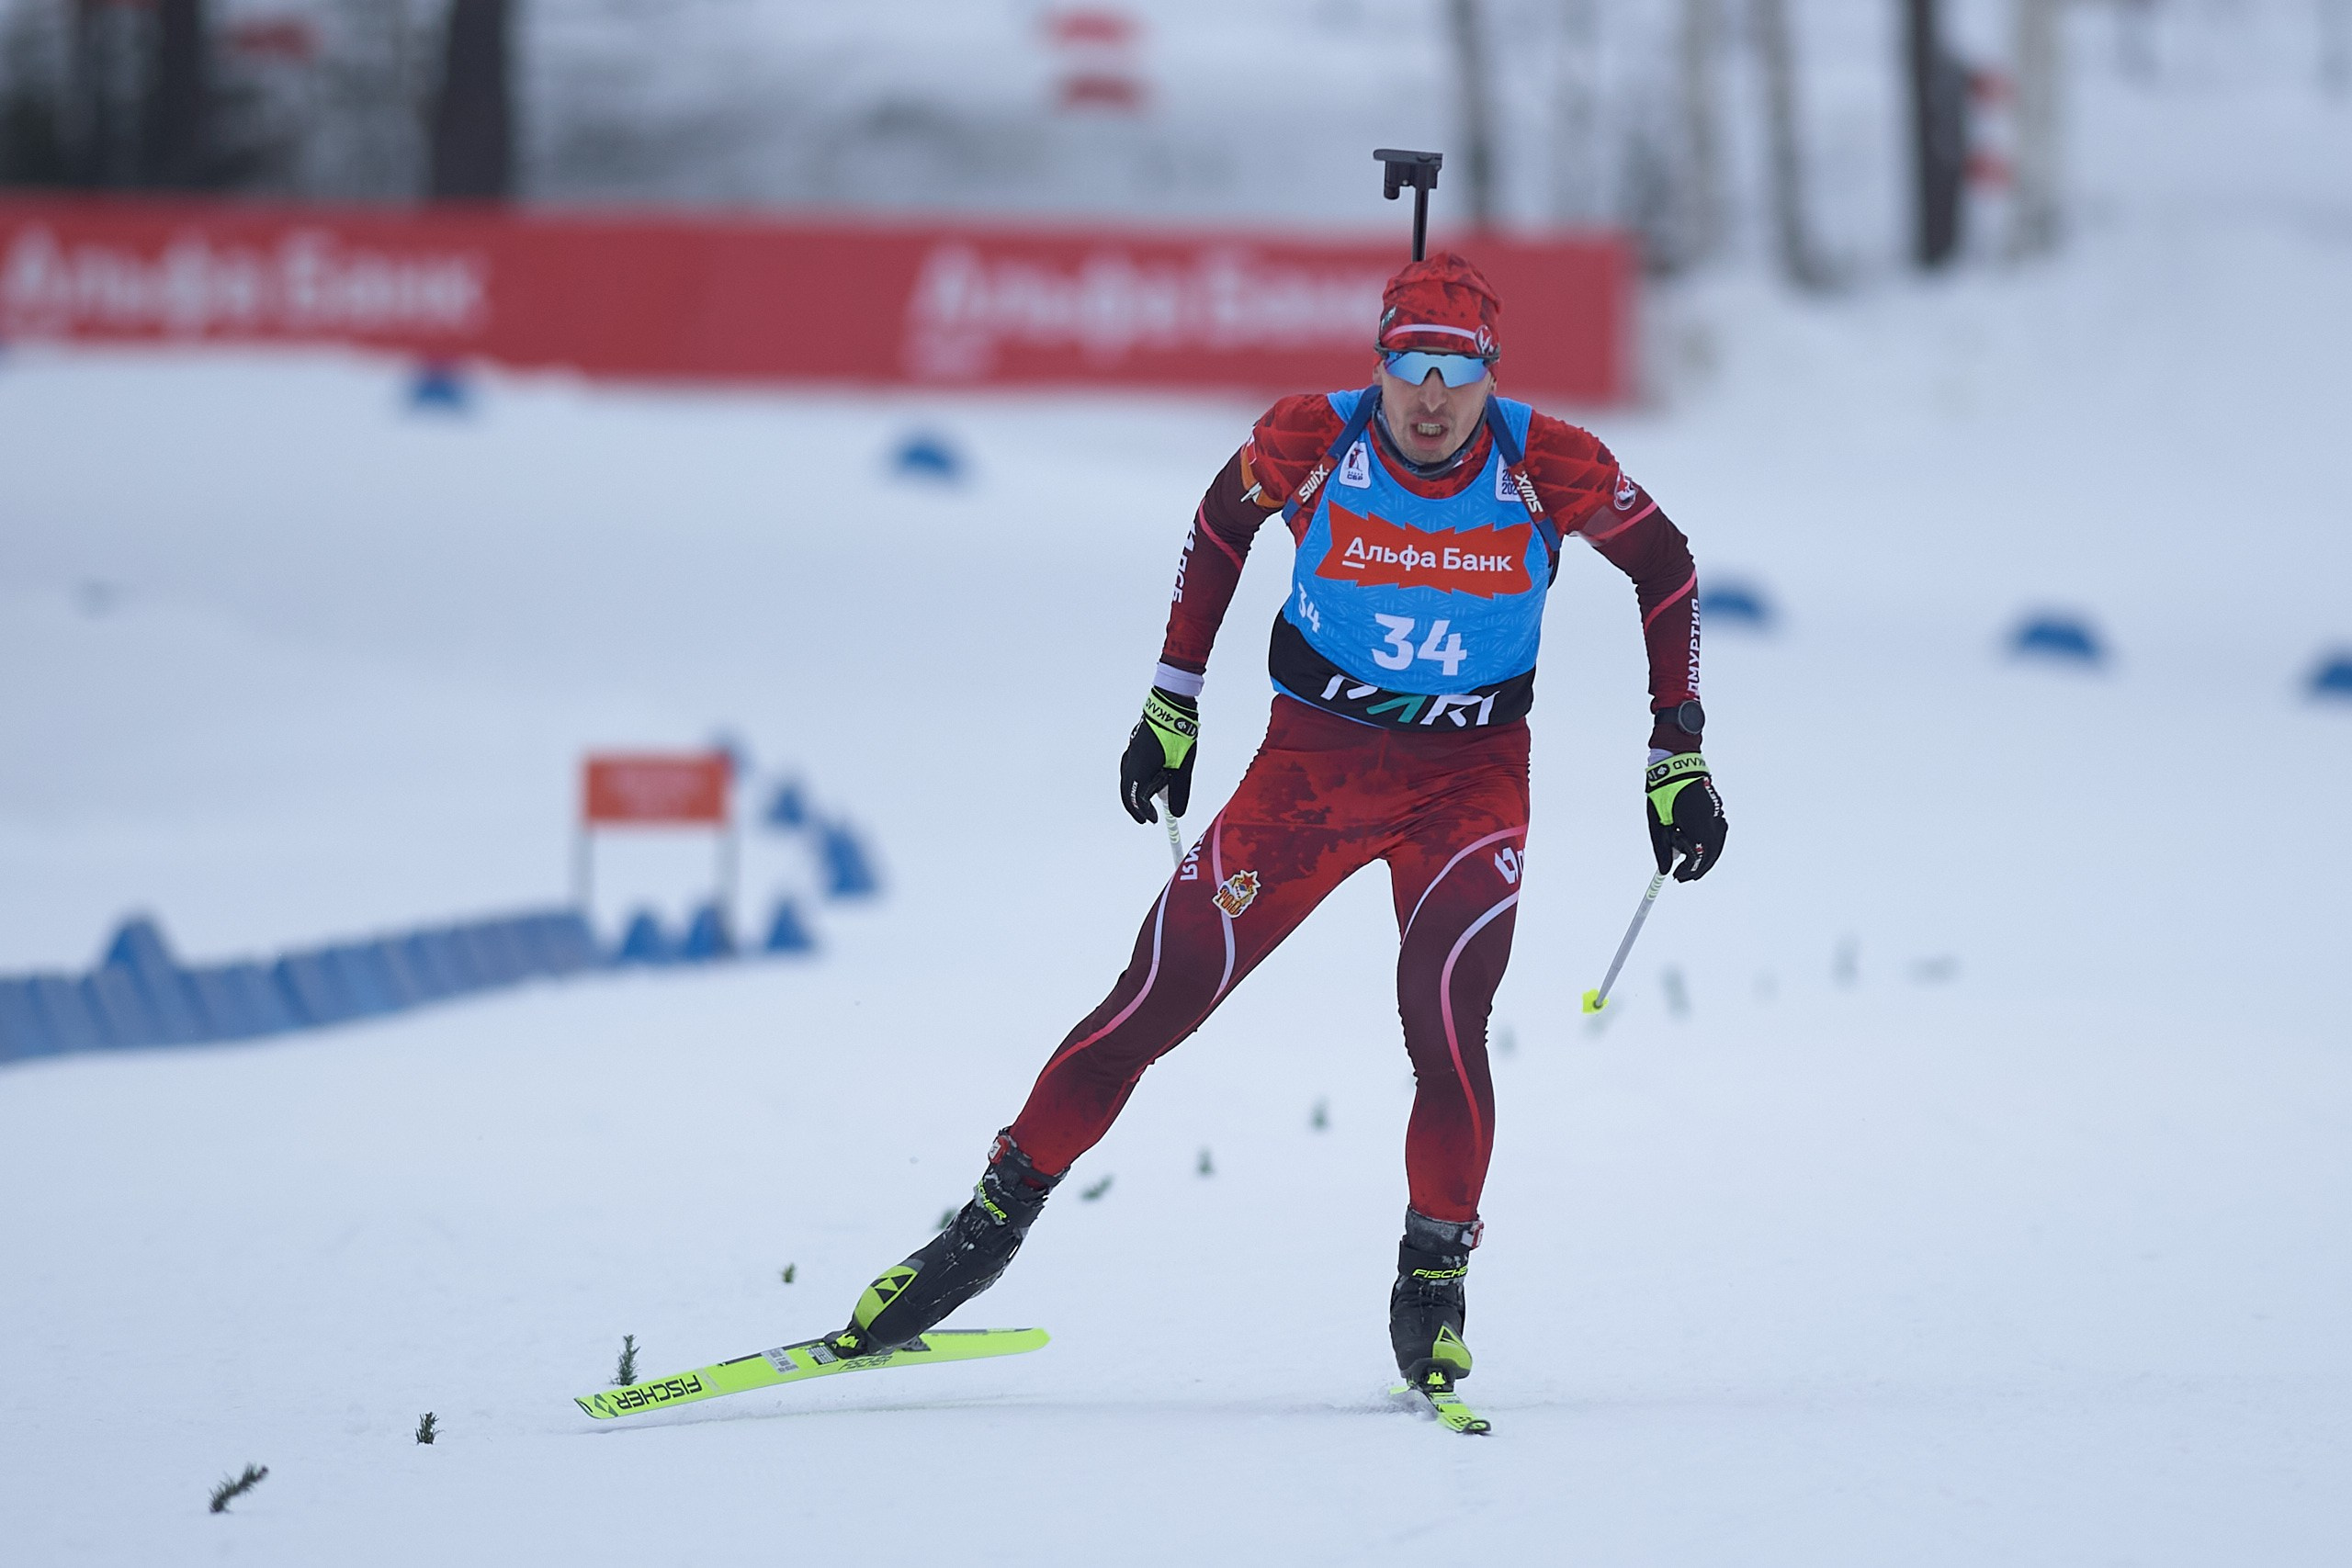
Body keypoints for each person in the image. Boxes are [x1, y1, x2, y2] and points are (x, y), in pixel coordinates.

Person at [828, 254, 1725, 1398]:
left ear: (1492, 377)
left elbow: (1666, 570)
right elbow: (1215, 530)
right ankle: (981, 1234)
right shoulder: (1310, 440)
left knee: (1445, 1019)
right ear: (1379, 366)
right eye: (1411, 368)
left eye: (1459, 373)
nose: (1434, 399)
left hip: (1469, 784)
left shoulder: (1546, 462)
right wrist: (1170, 701)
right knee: (1157, 995)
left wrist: (1676, 751)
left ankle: (1433, 1282)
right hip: (1311, 774)